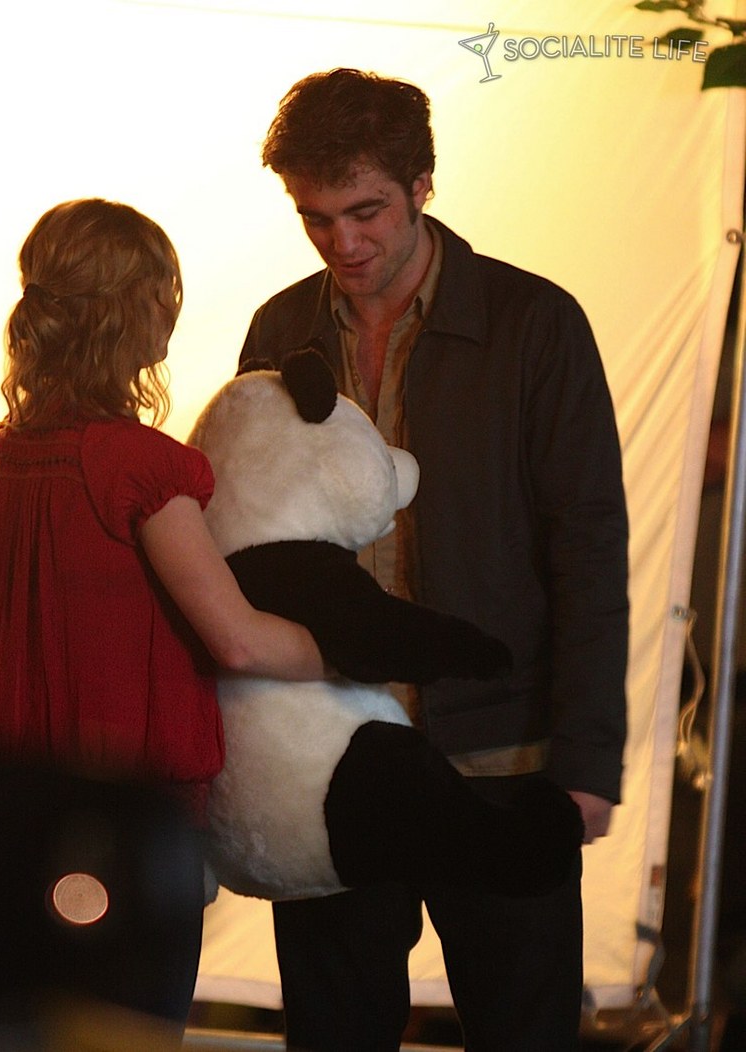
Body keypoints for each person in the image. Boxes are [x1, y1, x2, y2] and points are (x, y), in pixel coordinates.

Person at [239, 69, 629, 1051]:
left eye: (365, 211)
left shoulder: (534, 324)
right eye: (314, 217)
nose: (341, 242)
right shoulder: (280, 330)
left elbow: (588, 549)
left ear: (422, 185)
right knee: (333, 1034)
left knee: (522, 1031)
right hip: (331, 761)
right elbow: (250, 547)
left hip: (503, 762)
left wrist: (587, 760)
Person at [0, 198, 326, 1042]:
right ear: (133, 307)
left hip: (20, 814)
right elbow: (237, 637)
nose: (174, 303)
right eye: (165, 287)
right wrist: (346, 655)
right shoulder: (141, 465)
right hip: (128, 823)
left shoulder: (19, 446)